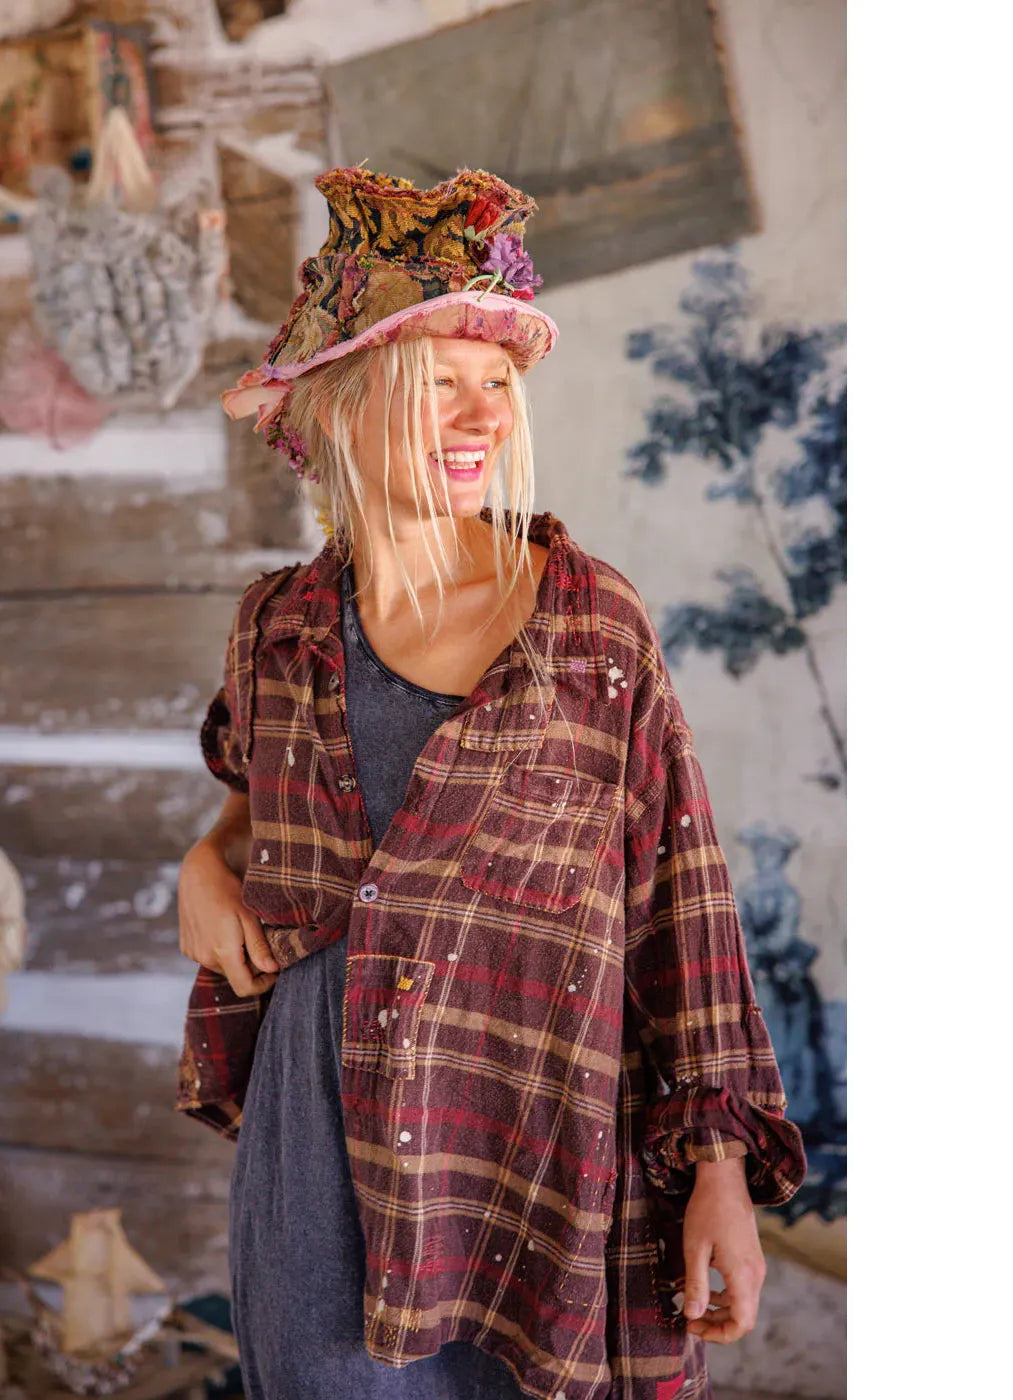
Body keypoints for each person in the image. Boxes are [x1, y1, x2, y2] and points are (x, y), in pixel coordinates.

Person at [174, 167, 806, 1400]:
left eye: (498, 382)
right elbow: (259, 803)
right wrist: (203, 860)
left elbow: (678, 898)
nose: (483, 416)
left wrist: (719, 1168)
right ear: (345, 403)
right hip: (319, 1155)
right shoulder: (276, 625)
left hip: (537, 1139)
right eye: (440, 381)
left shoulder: (589, 625)